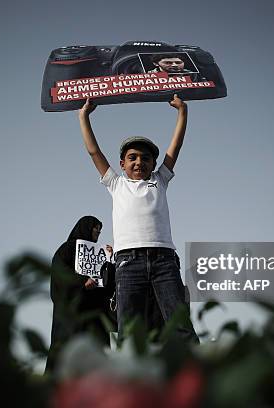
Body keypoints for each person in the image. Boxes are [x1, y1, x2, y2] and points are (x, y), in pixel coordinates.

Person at [78, 94, 198, 343]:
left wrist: (182, 112)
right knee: (129, 330)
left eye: (145, 158)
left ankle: (197, 375)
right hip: (127, 263)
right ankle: (130, 379)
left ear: (154, 163)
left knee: (180, 325)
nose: (139, 162)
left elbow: (175, 147)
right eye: (132, 157)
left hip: (164, 262)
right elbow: (93, 151)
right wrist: (83, 116)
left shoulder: (160, 180)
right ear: (122, 163)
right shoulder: (116, 184)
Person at [46, 216, 111, 372]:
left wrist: (109, 258)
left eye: (100, 230)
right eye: (96, 228)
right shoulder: (67, 249)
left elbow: (108, 279)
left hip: (93, 313)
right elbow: (59, 273)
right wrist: (81, 281)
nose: (98, 232)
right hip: (72, 312)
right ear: (86, 228)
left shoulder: (99, 253)